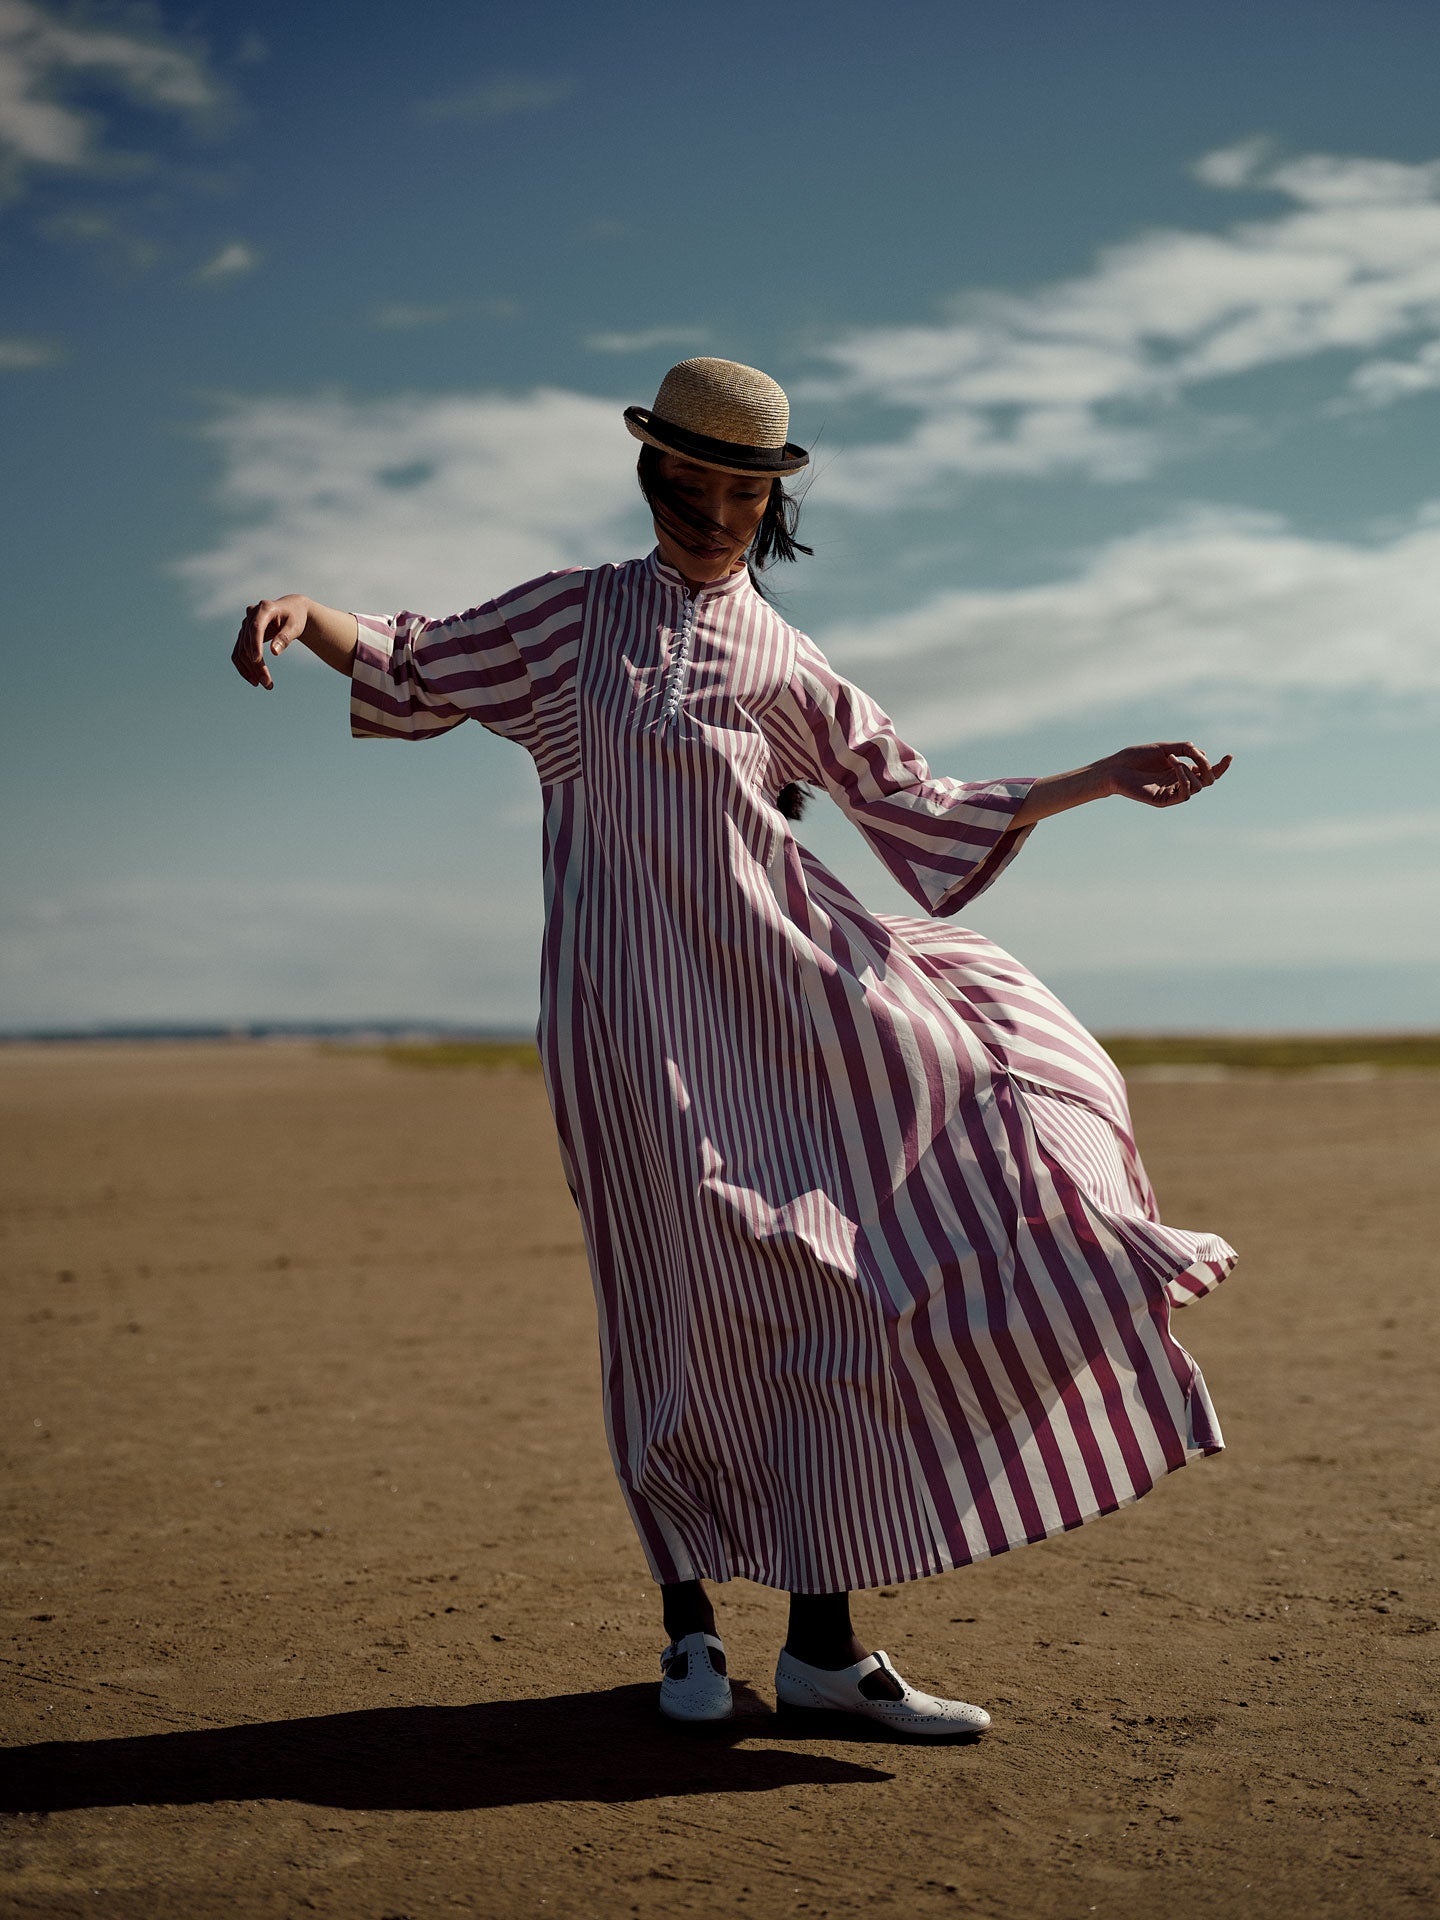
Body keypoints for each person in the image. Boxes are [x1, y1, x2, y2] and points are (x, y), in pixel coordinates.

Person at [233, 356, 1235, 1740]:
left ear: (770, 506)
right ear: (652, 477)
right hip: (626, 1029)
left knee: (831, 1289)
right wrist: (308, 610)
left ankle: (823, 1644)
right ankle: (690, 1629)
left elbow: (918, 807)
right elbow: (420, 656)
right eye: (690, 483)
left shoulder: (783, 657)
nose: (712, 512)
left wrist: (1097, 778)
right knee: (668, 1304)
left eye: (739, 492)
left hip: (784, 1011)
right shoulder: (572, 620)